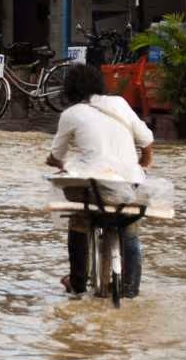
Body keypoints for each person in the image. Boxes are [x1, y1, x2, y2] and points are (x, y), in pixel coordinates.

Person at [45, 63, 155, 298]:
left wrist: (54, 162)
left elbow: (57, 156)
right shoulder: (120, 103)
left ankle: (77, 282)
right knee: (130, 227)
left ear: (70, 90)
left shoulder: (71, 114)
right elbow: (146, 141)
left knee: (78, 219)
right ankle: (132, 291)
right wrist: (143, 165)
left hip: (94, 190)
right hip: (130, 186)